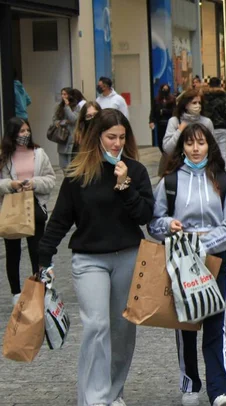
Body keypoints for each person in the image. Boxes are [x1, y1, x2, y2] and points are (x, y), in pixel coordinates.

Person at [38, 108, 154, 406]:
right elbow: (60, 220)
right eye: (110, 137)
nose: (116, 143)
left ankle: (113, 393)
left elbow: (144, 215)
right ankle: (94, 398)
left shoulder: (135, 170)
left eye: (122, 137)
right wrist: (44, 256)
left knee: (122, 330)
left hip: (128, 257)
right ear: (97, 137)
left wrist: (125, 185)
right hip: (89, 260)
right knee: (96, 326)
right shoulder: (79, 174)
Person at [149, 123, 226, 406]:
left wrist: (203, 245)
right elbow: (154, 223)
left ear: (209, 145)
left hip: (215, 259)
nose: (196, 149)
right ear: (182, 148)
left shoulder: (223, 180)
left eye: (201, 143)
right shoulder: (170, 181)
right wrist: (168, 224)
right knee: (185, 324)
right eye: (190, 144)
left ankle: (220, 390)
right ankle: (190, 383)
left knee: (215, 323)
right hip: (180, 260)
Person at [0, 117, 55, 305]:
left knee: (38, 250)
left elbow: (50, 179)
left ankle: (40, 289)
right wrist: (10, 184)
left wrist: (34, 183)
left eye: (27, 130)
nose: (25, 134)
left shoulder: (39, 153)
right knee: (13, 252)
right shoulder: (4, 156)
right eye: (21, 131)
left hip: (35, 206)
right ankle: (16, 293)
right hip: (12, 207)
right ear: (12, 134)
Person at [163, 89, 214, 155]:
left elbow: (213, 147)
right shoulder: (174, 121)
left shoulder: (207, 122)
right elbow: (168, 149)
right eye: (194, 103)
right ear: (186, 105)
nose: (198, 105)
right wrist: (179, 131)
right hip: (179, 163)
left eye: (199, 103)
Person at [204, 77, 226, 170]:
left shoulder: (205, 97)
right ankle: (224, 172)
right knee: (223, 153)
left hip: (208, 127)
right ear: (220, 84)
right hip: (222, 127)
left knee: (209, 152)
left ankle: (211, 171)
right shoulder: (224, 97)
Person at [53, 87, 86, 171]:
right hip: (62, 138)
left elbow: (73, 119)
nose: (63, 96)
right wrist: (64, 122)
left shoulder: (76, 107)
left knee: (72, 167)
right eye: (62, 94)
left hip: (73, 140)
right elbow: (55, 120)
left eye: (65, 94)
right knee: (63, 166)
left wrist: (67, 107)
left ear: (70, 95)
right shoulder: (59, 107)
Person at [149, 83, 176, 175]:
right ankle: (166, 156)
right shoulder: (156, 100)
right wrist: (151, 121)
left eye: (166, 89)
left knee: (168, 141)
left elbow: (174, 111)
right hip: (160, 124)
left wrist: (164, 111)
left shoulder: (172, 100)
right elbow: (153, 111)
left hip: (169, 123)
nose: (165, 91)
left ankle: (167, 159)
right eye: (163, 89)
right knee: (160, 142)